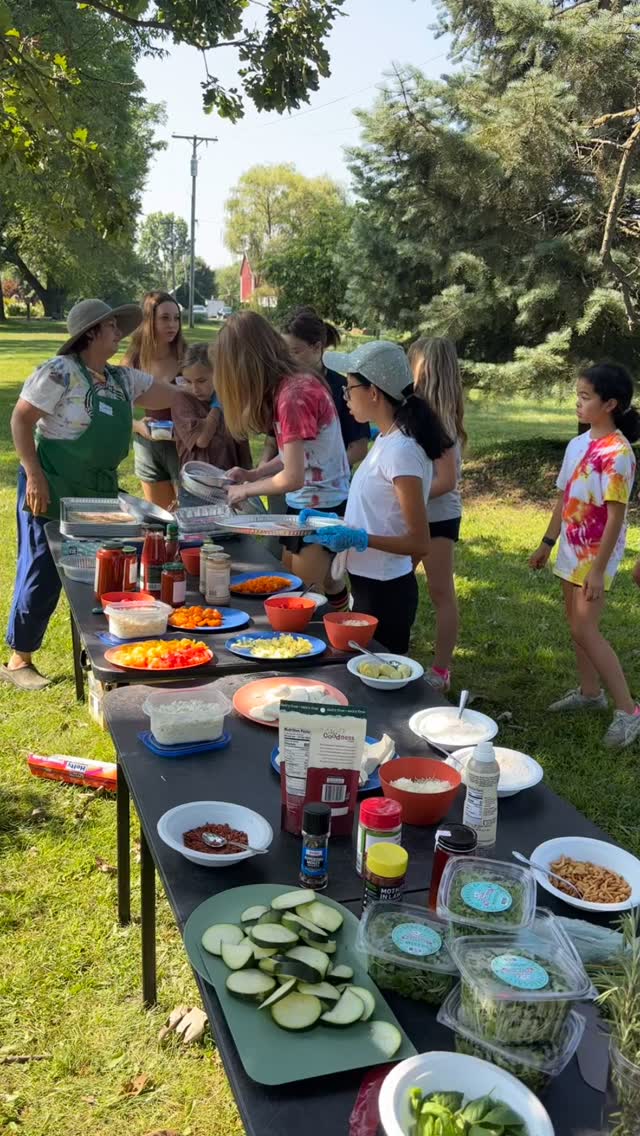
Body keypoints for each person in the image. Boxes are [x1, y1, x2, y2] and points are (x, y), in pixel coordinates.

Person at [2, 298, 180, 690]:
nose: (119, 333)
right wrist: (33, 475)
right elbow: (21, 418)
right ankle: (19, 659)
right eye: (112, 327)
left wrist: (202, 386)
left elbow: (165, 394)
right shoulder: (59, 373)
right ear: (92, 333)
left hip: (97, 494)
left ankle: (106, 649)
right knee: (42, 572)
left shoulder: (121, 379)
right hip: (51, 485)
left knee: (107, 571)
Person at [303, 341, 451, 653]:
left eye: (349, 388)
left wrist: (359, 538)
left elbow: (419, 542)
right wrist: (336, 523)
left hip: (387, 592)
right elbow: (382, 514)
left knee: (379, 681)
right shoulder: (386, 440)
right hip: (368, 583)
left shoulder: (402, 452)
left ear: (374, 392)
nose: (344, 397)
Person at [529, 361, 640, 749]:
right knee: (575, 625)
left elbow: (615, 516)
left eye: (585, 396)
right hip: (570, 549)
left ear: (610, 404)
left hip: (596, 555)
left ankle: (629, 712)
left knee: (585, 629)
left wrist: (596, 570)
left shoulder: (619, 453)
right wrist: (547, 542)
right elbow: (564, 497)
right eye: (577, 395)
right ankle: (591, 694)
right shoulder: (579, 445)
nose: (577, 402)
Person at [213, 311, 351, 602]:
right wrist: (254, 474)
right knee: (321, 582)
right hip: (309, 504)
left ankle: (340, 639)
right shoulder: (289, 386)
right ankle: (344, 624)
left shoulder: (292, 396)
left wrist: (246, 489)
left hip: (321, 509)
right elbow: (297, 456)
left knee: (301, 601)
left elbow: (293, 476)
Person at [409, 336, 466, 691]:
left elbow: (446, 480)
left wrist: (406, 495)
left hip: (438, 517)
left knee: (441, 591)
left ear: (424, 368)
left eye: (409, 362)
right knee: (394, 579)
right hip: (418, 513)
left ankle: (441, 671)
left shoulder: (438, 419)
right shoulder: (421, 411)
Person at [123, 291, 185, 511]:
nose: (173, 325)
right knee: (161, 518)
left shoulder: (187, 356)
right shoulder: (134, 359)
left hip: (183, 446)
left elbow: (211, 399)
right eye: (165, 318)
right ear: (149, 320)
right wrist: (138, 426)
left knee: (187, 516)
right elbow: (117, 408)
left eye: (176, 318)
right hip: (148, 446)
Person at [171, 342, 252, 500]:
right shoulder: (182, 400)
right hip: (195, 486)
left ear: (217, 375)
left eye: (201, 381)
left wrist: (247, 477)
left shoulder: (231, 400)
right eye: (188, 381)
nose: (195, 388)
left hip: (229, 482)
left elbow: (241, 442)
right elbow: (202, 440)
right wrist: (217, 406)